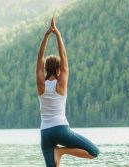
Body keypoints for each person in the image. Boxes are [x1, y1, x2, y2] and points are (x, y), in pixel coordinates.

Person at [36, 17, 99, 167]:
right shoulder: (60, 85)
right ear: (58, 69)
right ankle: (62, 152)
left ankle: (58, 152)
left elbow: (39, 58)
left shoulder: (41, 86)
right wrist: (57, 34)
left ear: (45, 69)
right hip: (60, 130)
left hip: (45, 134)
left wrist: (46, 36)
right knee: (94, 152)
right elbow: (64, 57)